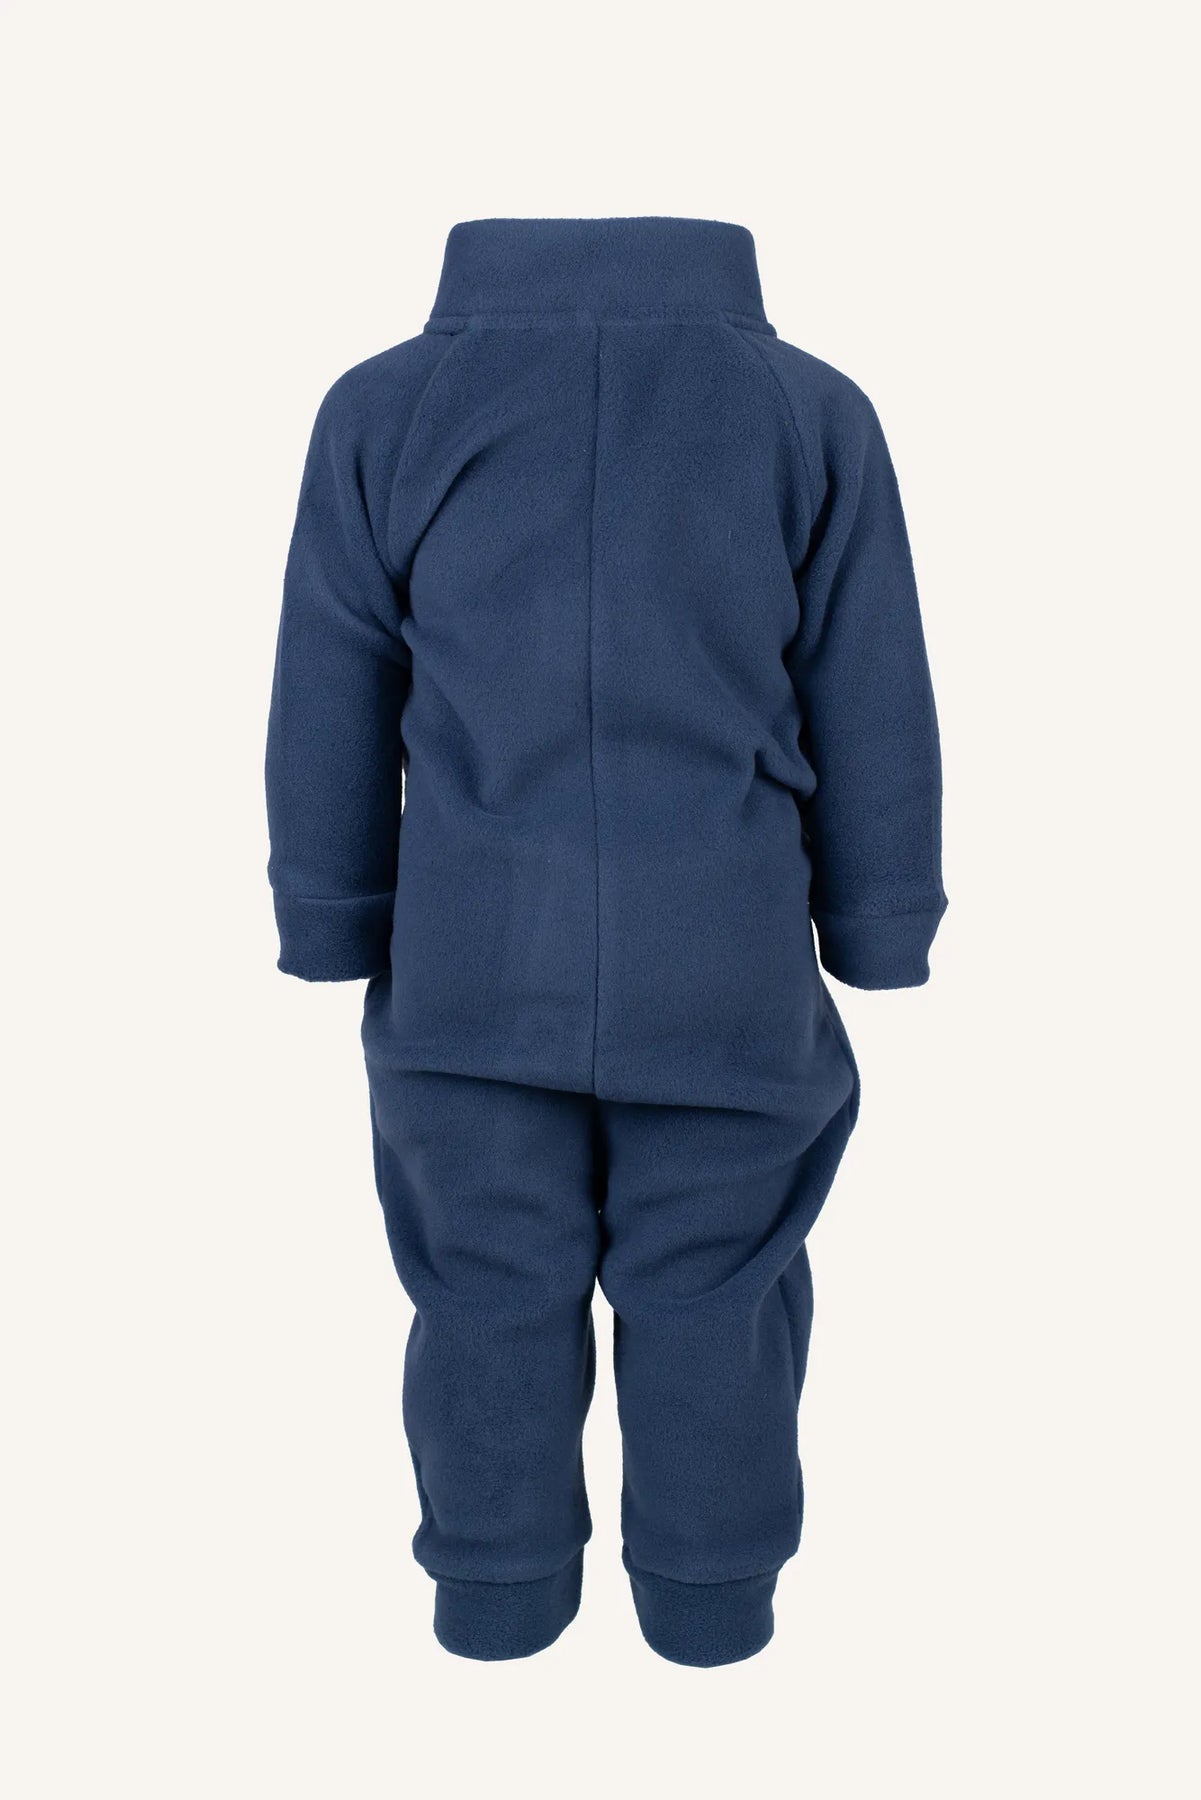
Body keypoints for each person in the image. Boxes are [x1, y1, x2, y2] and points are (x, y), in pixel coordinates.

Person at [266, 216, 947, 1666]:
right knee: (715, 1285)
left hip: (471, 962)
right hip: (726, 961)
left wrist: (331, 913)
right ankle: (711, 1609)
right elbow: (870, 682)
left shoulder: (383, 410)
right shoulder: (807, 413)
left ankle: (495, 1599)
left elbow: (331, 679)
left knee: (483, 1285)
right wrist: (879, 922)